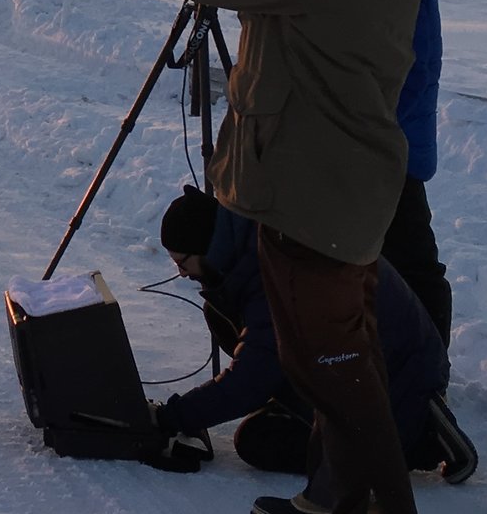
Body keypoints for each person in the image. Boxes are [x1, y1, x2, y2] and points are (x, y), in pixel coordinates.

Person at [165, 0, 430, 514]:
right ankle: (330, 496)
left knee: (340, 371)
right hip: (321, 184)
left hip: (320, 190)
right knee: (325, 360)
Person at [149, 187, 467, 481]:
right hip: (383, 360)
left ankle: (421, 439)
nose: (181, 273)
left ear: (206, 246)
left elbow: (251, 378)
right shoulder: (261, 235)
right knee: (220, 310)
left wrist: (172, 418)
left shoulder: (275, 272)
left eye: (182, 262)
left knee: (257, 440)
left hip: (393, 381)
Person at [375, 0, 452, 346]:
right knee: (412, 260)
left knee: (411, 264)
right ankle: (421, 365)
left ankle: (425, 372)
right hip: (398, 137)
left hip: (386, 138)